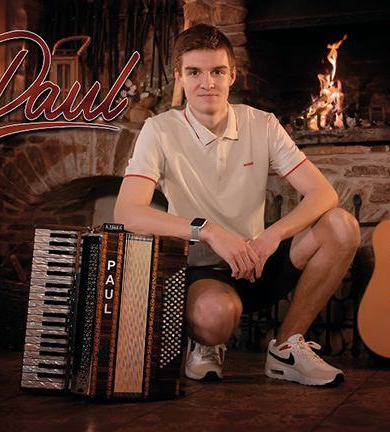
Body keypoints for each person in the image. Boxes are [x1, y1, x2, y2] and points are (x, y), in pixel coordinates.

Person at [114, 24, 360, 386]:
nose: (207, 83)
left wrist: (271, 238)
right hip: (203, 270)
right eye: (194, 72)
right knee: (214, 318)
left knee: (342, 225)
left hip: (257, 261)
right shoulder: (159, 130)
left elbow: (324, 194)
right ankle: (205, 345)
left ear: (232, 75)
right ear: (180, 78)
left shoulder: (262, 124)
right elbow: (127, 213)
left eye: (217, 71)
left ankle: (286, 348)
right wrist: (210, 232)